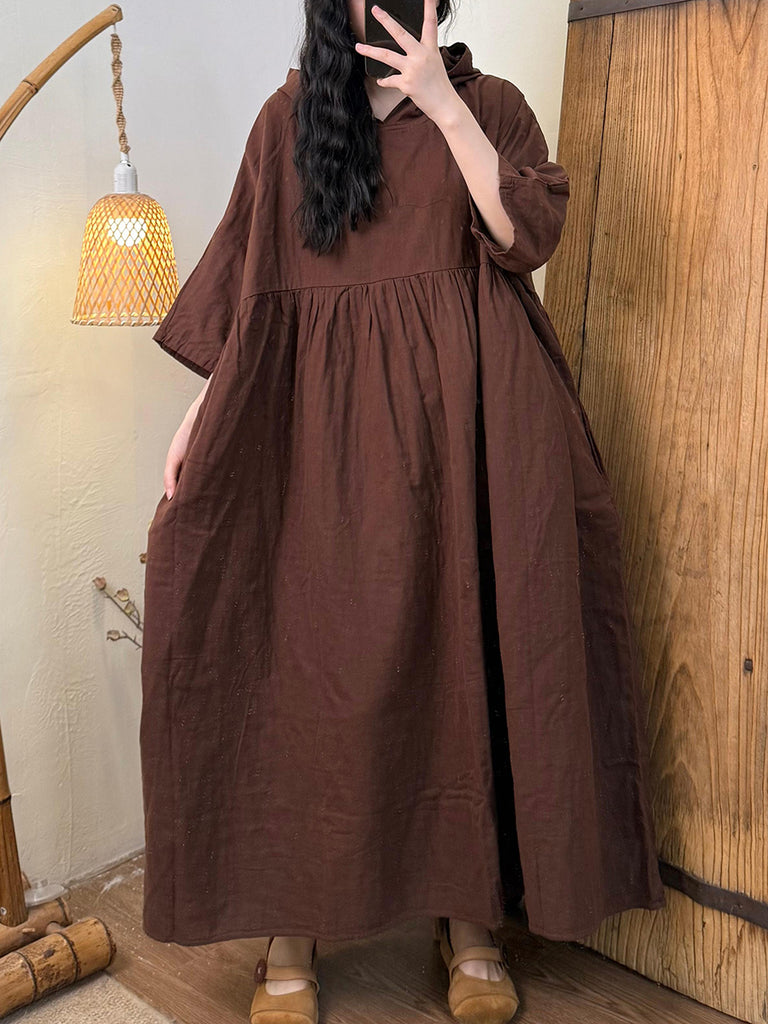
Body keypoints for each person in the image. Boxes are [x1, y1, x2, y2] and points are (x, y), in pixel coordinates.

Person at [139, 1, 667, 1022]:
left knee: (464, 657)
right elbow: (251, 285)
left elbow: (526, 237)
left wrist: (442, 103)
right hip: (316, 437)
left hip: (474, 432)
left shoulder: (491, 104)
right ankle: (288, 929)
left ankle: (468, 923)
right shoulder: (288, 121)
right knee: (296, 661)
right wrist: (201, 412)